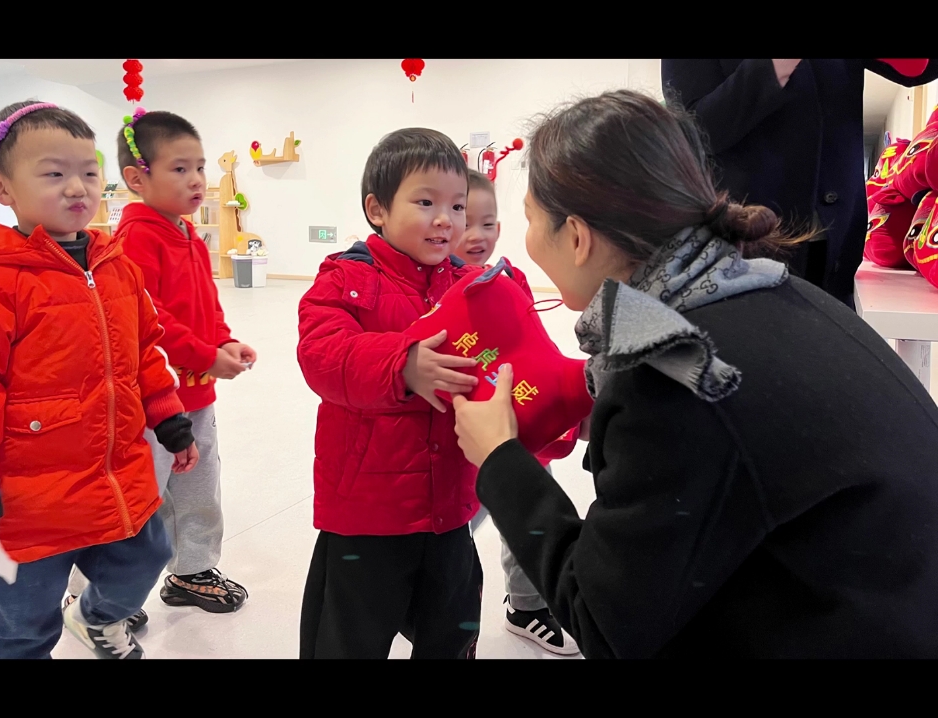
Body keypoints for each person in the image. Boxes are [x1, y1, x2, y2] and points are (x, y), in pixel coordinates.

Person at [451, 90, 938, 658]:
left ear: (578, 238)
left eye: (531, 221)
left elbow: (604, 623)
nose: (526, 242)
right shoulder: (768, 290)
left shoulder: (674, 378)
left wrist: (501, 459)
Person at [0, 100, 199, 659]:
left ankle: (96, 619)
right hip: (22, 506)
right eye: (54, 174)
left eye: (89, 172)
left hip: (117, 481)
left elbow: (146, 349)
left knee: (144, 558)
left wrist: (169, 417)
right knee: (17, 623)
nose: (78, 187)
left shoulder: (117, 266)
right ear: (2, 190)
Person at [297, 128, 484, 659]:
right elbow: (322, 358)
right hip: (368, 510)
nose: (445, 219)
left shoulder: (469, 285)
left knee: (452, 628)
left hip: (450, 504)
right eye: (426, 202)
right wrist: (402, 366)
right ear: (377, 209)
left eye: (457, 205)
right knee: (351, 634)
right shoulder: (345, 279)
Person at [66, 110, 255, 616]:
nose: (196, 180)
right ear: (136, 177)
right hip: (150, 402)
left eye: (200, 167)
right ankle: (92, 586)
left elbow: (205, 302)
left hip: (197, 396)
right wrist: (204, 355)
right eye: (179, 169)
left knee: (198, 487)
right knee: (138, 493)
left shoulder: (189, 234)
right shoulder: (135, 239)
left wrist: (225, 342)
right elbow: (150, 320)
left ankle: (192, 571)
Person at [660, 58, 938, 308]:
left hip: (835, 245)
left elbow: (921, 68)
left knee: (829, 354)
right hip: (744, 242)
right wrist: (772, 67)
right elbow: (693, 132)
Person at [455, 170, 579, 655]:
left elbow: (536, 350)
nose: (475, 235)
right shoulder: (435, 290)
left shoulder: (512, 279)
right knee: (455, 529)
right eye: (464, 220)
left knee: (524, 514)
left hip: (521, 427)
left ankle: (526, 606)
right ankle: (439, 607)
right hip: (461, 439)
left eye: (487, 224)